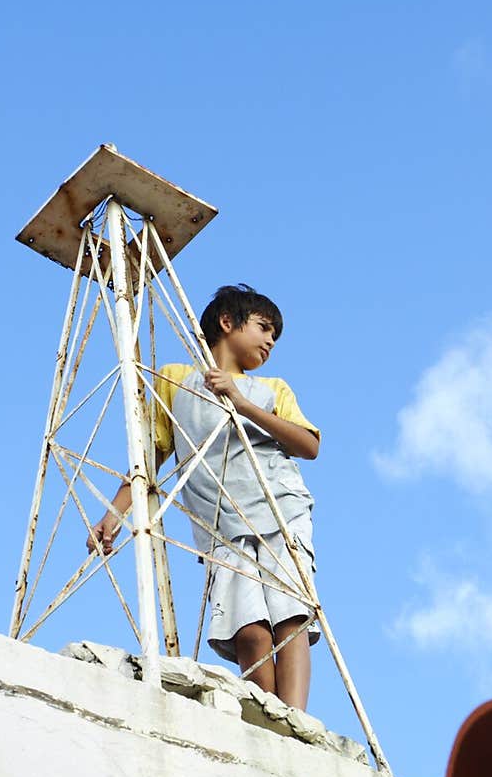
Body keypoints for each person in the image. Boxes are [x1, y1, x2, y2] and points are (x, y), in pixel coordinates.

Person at [87, 283, 321, 709]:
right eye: (264, 327)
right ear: (227, 322)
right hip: (221, 527)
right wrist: (114, 515)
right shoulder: (176, 381)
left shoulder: (271, 389)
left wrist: (241, 404)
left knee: (290, 616)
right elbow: (151, 457)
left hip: (279, 513)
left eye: (275, 335)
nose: (270, 341)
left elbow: (309, 445)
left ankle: (297, 722)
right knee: (247, 628)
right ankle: (267, 716)